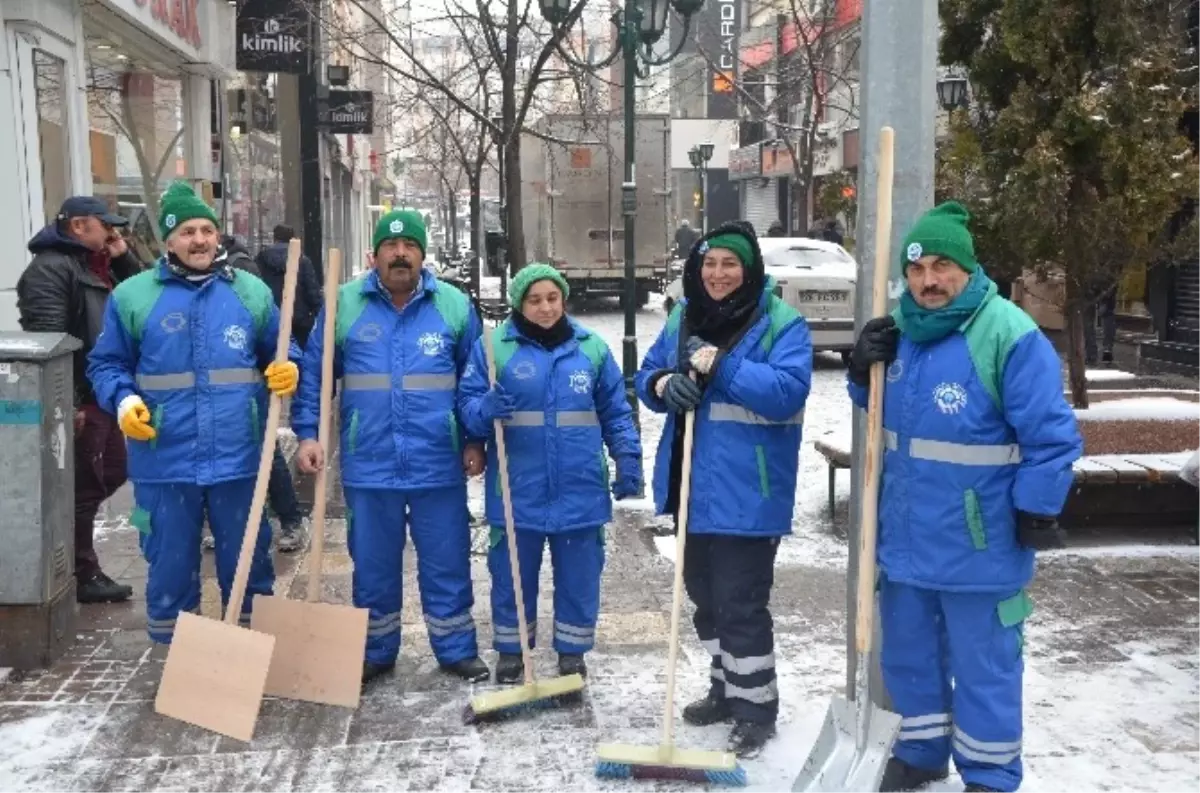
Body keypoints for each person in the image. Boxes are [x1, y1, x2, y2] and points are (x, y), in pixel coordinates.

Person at [845, 202, 1081, 793]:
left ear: (968, 270)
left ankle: (991, 774)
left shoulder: (1007, 333)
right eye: (918, 269)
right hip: (902, 539)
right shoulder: (898, 331)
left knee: (986, 667)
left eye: (943, 266)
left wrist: (1038, 507)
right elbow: (885, 420)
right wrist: (860, 370)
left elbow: (1052, 437)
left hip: (980, 541)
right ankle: (922, 754)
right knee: (909, 658)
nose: (929, 281)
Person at [85, 181, 297, 643]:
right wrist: (123, 399)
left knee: (248, 562)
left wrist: (288, 369)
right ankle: (177, 665)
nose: (199, 240)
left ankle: (249, 655)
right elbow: (106, 364)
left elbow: (281, 349)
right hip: (164, 458)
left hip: (238, 458)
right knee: (170, 565)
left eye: (206, 229)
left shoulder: (251, 293)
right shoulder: (134, 297)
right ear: (168, 241)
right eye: (186, 231)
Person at [636, 221, 813, 758]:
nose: (717, 274)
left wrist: (723, 365)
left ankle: (756, 706)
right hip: (690, 485)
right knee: (705, 598)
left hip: (749, 493)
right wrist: (665, 385)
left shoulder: (783, 324)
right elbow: (647, 374)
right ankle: (725, 686)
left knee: (740, 603)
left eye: (729, 265)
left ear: (750, 269)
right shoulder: (685, 316)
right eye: (709, 264)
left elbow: (786, 393)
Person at [292, 209, 491, 688]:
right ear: (375, 254)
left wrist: (473, 440)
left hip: (436, 461)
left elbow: (475, 380)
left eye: (410, 247)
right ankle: (375, 649)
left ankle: (455, 646)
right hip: (370, 461)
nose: (400, 254)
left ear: (423, 255)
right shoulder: (344, 305)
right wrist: (308, 433)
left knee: (447, 558)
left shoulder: (454, 306)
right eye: (390, 246)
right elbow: (318, 379)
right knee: (373, 562)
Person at [457, 264, 642, 683]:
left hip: (580, 487)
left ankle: (572, 651)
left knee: (580, 575)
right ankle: (512, 648)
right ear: (519, 304)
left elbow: (615, 411)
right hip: (516, 486)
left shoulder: (590, 348)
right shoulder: (493, 349)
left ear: (563, 299)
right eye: (535, 300)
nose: (545, 308)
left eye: (553, 298)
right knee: (511, 576)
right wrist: (482, 412)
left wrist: (628, 456)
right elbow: (466, 405)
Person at [17, 197, 145, 604]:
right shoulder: (50, 270)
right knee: (86, 484)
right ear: (78, 226)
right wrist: (65, 404)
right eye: (104, 226)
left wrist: (123, 259)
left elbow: (141, 299)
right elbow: (49, 343)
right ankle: (82, 570)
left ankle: (68, 543)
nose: (113, 233)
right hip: (81, 396)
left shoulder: (95, 265)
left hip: (101, 390)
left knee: (111, 473)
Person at [255, 224, 324, 348]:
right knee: (298, 361)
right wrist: (320, 314)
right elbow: (312, 292)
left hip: (271, 319)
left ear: (274, 238)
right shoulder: (302, 260)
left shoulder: (262, 259)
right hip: (299, 321)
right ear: (293, 239)